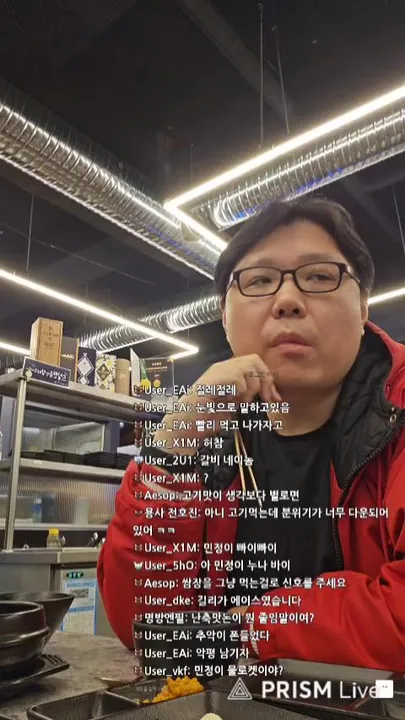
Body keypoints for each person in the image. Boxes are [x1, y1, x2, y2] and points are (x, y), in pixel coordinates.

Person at [97, 196, 405, 671]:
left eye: (319, 276)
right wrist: (172, 445)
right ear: (224, 317)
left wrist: (251, 630)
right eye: (259, 281)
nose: (287, 301)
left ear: (364, 304)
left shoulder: (397, 408)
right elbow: (146, 625)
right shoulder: (209, 437)